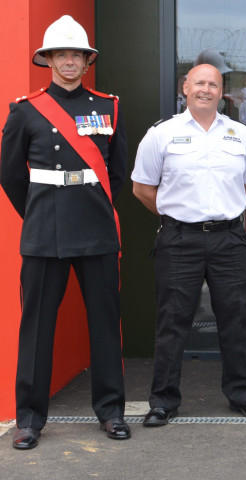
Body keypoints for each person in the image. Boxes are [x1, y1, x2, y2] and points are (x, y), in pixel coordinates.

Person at [1, 14, 130, 450]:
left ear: (86, 60)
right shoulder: (25, 110)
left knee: (104, 325)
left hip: (95, 228)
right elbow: (11, 176)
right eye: (62, 54)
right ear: (49, 59)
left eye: (77, 54)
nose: (70, 61)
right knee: (37, 326)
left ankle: (111, 411)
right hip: (45, 233)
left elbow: (118, 171)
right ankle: (29, 419)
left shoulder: (108, 106)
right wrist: (38, 213)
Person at [132, 63, 246, 426]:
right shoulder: (162, 134)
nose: (206, 90)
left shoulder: (240, 134)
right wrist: (175, 214)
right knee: (172, 322)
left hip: (228, 238)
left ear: (222, 90)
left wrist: (226, 207)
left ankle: (243, 395)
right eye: (199, 83)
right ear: (185, 87)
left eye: (213, 84)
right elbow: (143, 188)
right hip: (179, 239)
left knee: (237, 319)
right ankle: (163, 401)